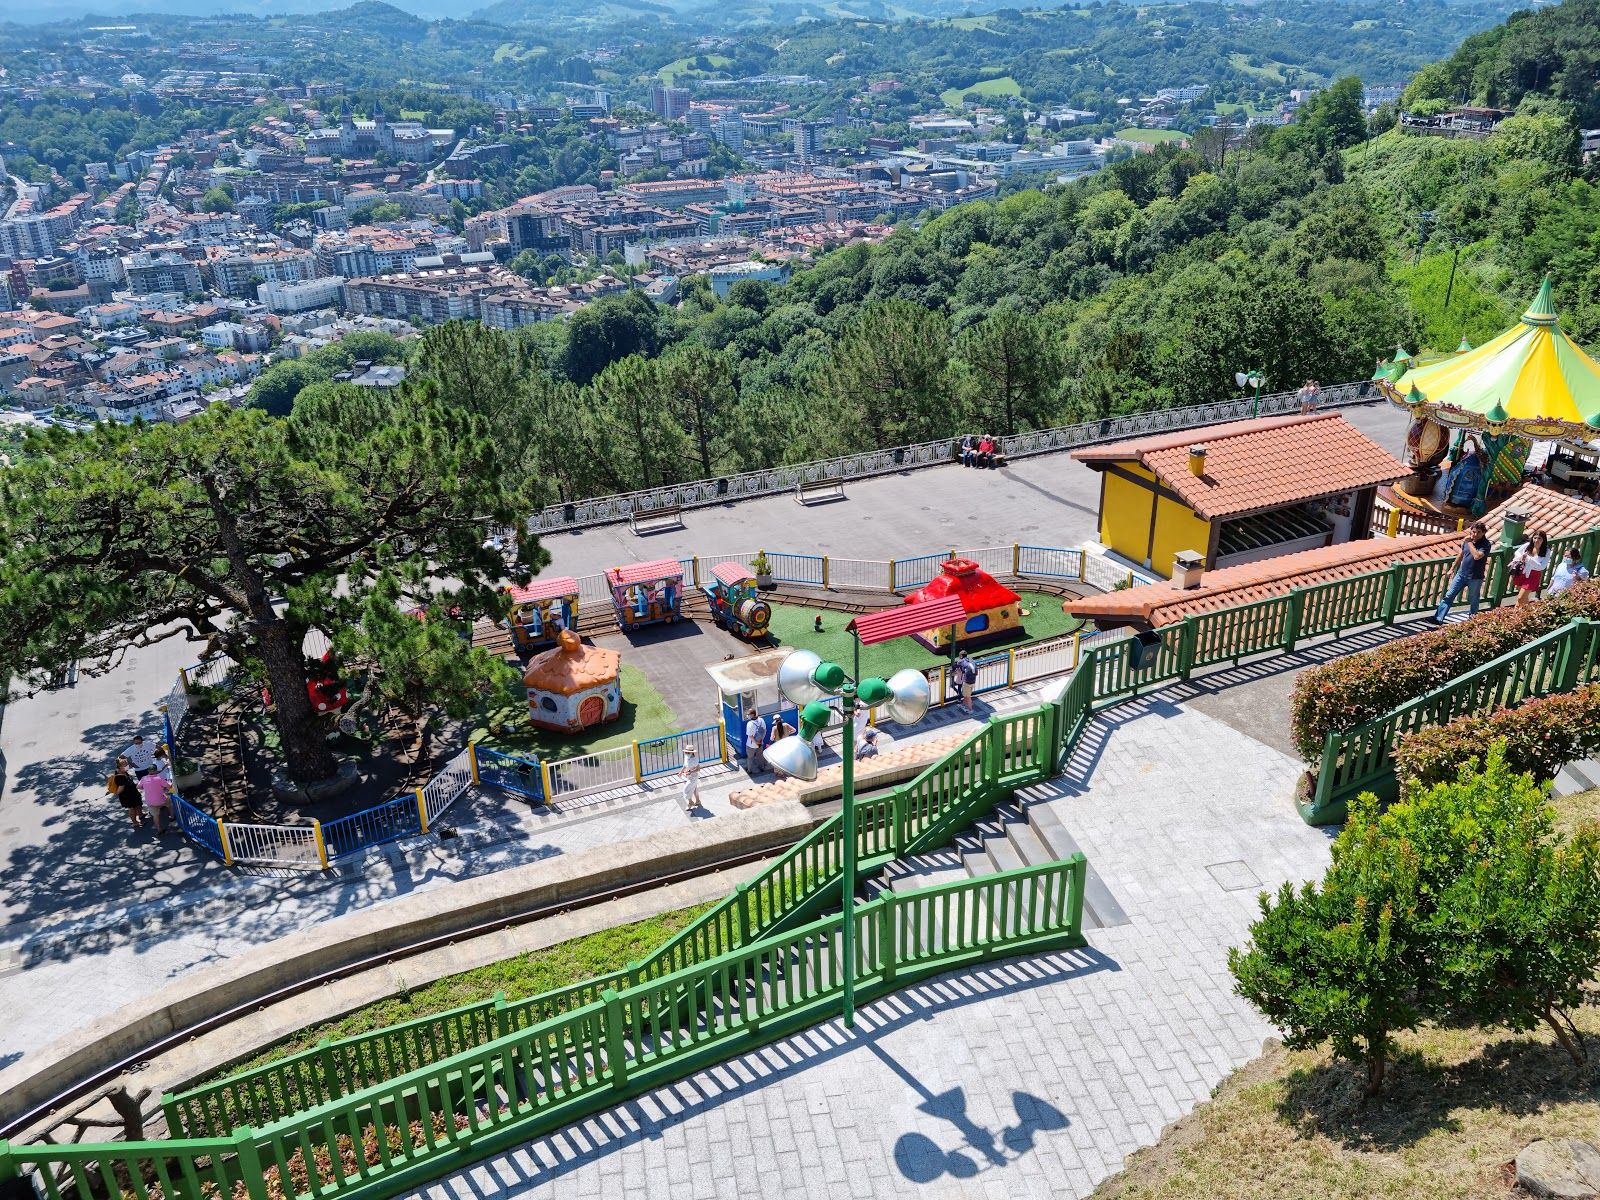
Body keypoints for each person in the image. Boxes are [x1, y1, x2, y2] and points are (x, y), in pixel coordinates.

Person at [1432, 521, 1493, 623]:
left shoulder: (1486, 544)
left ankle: (1472, 620)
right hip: (1461, 574)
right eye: (1473, 532)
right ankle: (1438, 618)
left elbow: (1477, 556)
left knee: (1474, 599)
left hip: (1475, 577)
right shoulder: (1467, 541)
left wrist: (1469, 542)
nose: (1475, 534)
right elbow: (1460, 555)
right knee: (1449, 595)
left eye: (1478, 532)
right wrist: (1452, 569)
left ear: (1483, 533)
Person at [1509, 529, 1551, 606]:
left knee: (1520, 598)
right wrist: (1521, 557)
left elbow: (1541, 567)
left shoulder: (1546, 551)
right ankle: (1527, 612)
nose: (1536, 540)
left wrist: (1528, 559)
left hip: (1533, 576)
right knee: (1524, 598)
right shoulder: (1528, 545)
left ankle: (1516, 615)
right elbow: (1517, 552)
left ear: (1543, 540)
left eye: (1539, 538)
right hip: (1522, 572)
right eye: (1535, 538)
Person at [107, 755, 146, 830]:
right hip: (127, 796)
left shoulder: (123, 772)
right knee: (132, 808)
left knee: (138, 804)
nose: (127, 766)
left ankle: (140, 815)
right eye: (125, 765)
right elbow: (120, 789)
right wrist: (116, 792)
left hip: (133, 792)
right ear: (120, 766)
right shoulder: (120, 777)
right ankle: (135, 822)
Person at [137, 768, 172, 834]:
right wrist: (169, 781)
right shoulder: (159, 778)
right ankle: (172, 817)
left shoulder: (144, 778)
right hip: (161, 800)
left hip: (150, 802)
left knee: (155, 816)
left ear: (148, 771)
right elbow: (169, 786)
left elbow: (138, 787)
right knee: (169, 803)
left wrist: (144, 787)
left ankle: (159, 830)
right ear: (156, 771)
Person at [743, 707, 767, 777]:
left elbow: (750, 736)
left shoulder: (750, 723)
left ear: (753, 715)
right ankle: (761, 767)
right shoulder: (761, 720)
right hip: (760, 742)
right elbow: (765, 731)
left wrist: (755, 742)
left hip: (751, 745)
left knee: (750, 757)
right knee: (760, 755)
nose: (747, 715)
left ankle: (749, 770)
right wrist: (760, 740)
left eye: (748, 714)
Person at [678, 744, 703, 812]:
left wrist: (690, 772)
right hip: (688, 776)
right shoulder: (686, 757)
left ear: (691, 753)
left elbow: (698, 769)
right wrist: (681, 772)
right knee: (694, 788)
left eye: (687, 752)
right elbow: (685, 765)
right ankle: (697, 801)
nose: (686, 753)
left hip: (693, 777)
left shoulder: (694, 760)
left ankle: (690, 802)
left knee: (685, 790)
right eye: (686, 752)